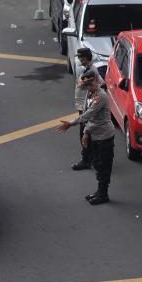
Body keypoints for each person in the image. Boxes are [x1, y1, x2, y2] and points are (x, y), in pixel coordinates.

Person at [56, 70, 115, 205]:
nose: (89, 87)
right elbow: (90, 117)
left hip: (104, 137)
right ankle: (99, 192)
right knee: (97, 165)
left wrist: (71, 124)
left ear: (96, 81)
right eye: (87, 85)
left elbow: (88, 115)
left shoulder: (101, 96)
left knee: (104, 167)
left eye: (91, 83)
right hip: (95, 135)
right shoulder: (90, 93)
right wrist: (86, 133)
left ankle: (103, 194)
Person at [71, 47, 101, 170]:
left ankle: (86, 160)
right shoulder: (89, 69)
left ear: (86, 57)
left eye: (80, 57)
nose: (79, 60)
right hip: (83, 105)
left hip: (86, 107)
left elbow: (94, 84)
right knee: (86, 133)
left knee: (84, 133)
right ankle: (91, 158)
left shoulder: (92, 70)